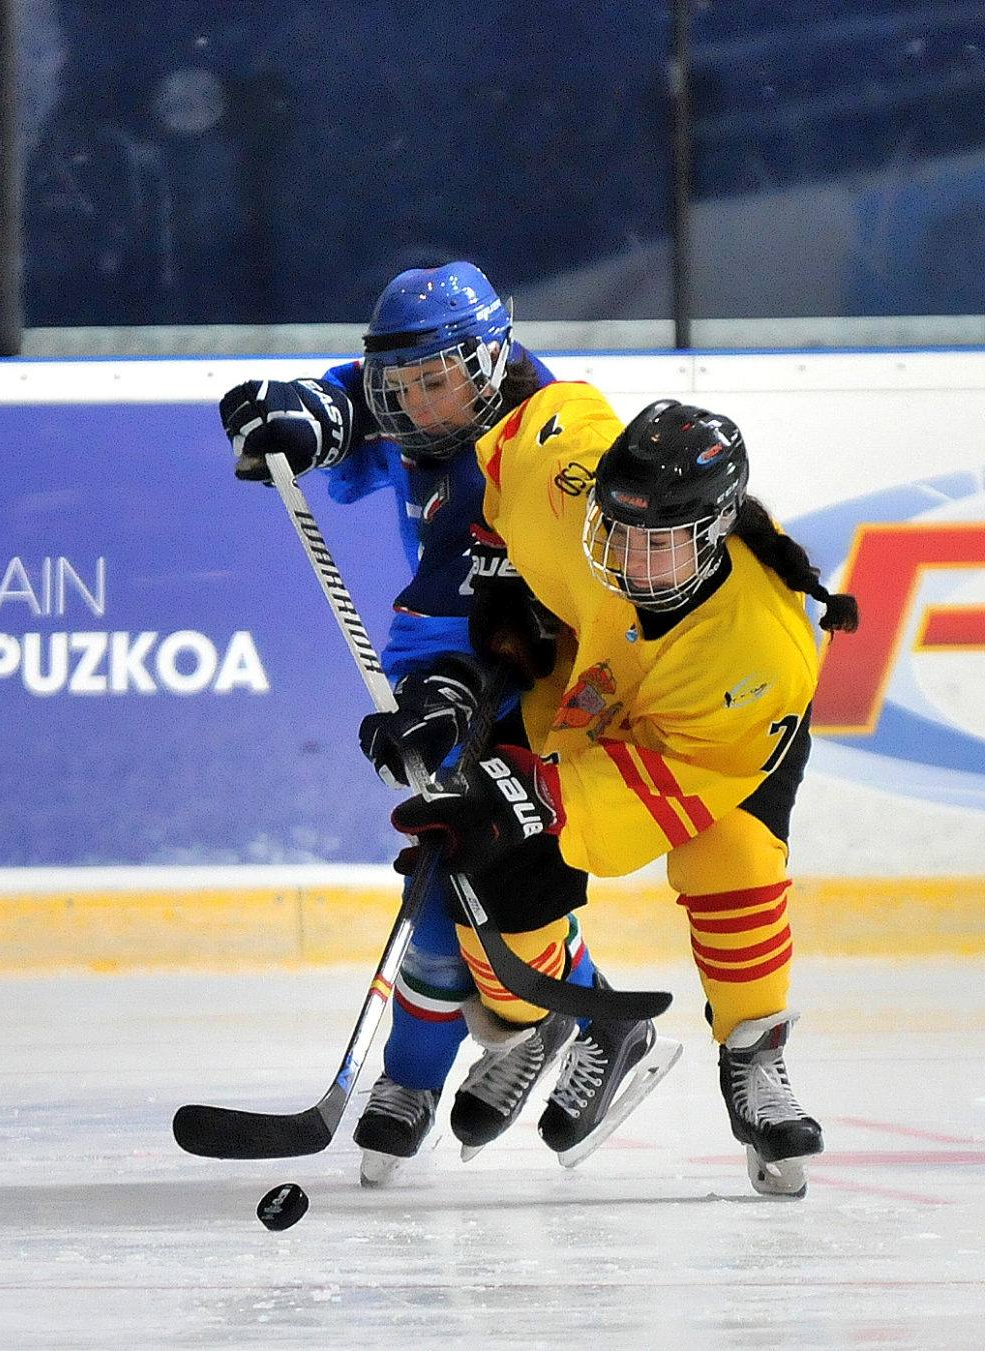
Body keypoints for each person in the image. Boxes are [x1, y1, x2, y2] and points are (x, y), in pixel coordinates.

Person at [219, 262, 678, 1187]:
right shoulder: (435, 397)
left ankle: (471, 1055)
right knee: (449, 867)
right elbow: (359, 405)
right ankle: (557, 1022)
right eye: (407, 386)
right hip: (473, 653)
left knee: (479, 871)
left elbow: (449, 613)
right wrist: (303, 415)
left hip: (555, 675)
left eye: (438, 383)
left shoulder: (524, 449)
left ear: (490, 361)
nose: (422, 407)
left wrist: (436, 696)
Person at [388, 394, 859, 1197]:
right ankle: (561, 1020)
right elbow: (527, 432)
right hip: (591, 680)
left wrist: (531, 796)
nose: (630, 558)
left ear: (713, 534)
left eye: (660, 542)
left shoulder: (762, 648)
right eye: (620, 529)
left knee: (731, 859)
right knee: (493, 872)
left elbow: (666, 793)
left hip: (713, 744)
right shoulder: (572, 498)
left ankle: (754, 1055)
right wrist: (493, 570)